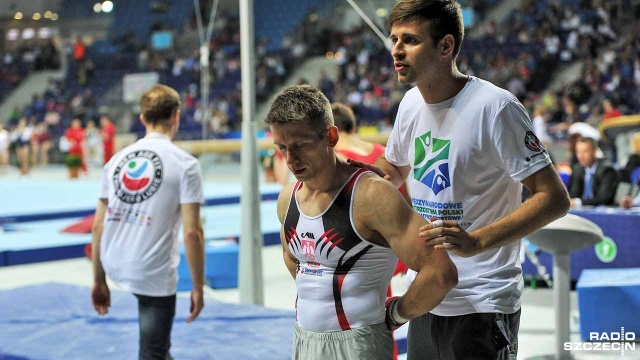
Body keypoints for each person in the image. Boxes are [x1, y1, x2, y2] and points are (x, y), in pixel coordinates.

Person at [351, 1, 570, 358]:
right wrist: (350, 183)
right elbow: (392, 169)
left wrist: (477, 241)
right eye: (394, 39)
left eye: (410, 40)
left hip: (482, 300)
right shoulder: (410, 104)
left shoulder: (496, 108)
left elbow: (553, 197)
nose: (397, 50)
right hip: (426, 291)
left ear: (446, 46)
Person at [266, 84, 458, 360]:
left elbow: (441, 273)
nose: (290, 159)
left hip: (359, 344)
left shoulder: (372, 195)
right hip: (304, 339)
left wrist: (396, 314)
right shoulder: (287, 199)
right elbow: (293, 259)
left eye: (300, 146)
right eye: (282, 147)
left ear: (331, 136)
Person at [91, 84, 205, 359]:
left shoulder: (115, 162)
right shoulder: (185, 164)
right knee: (153, 352)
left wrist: (98, 280)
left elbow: (98, 225)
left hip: (114, 261)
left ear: (142, 118)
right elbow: (192, 233)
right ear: (176, 116)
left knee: (157, 352)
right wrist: (198, 286)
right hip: (151, 271)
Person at [569, 137, 620, 207]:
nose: (581, 156)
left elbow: (603, 199)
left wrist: (579, 202)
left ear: (594, 151)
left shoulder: (607, 170)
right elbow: (574, 195)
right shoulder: (577, 170)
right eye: (578, 152)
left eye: (585, 151)